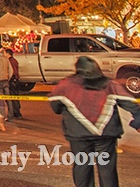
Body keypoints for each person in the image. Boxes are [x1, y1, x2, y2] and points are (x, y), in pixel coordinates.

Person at [50, 56, 140, 187]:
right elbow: (131, 104)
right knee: (107, 170)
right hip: (106, 134)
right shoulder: (110, 85)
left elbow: (55, 107)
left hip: (78, 135)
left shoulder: (65, 85)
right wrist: (137, 121)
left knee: (82, 168)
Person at [5, 48, 23, 119]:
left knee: (12, 97)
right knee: (15, 97)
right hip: (16, 80)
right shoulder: (14, 60)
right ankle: (17, 112)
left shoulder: (9, 61)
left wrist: (9, 79)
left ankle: (16, 113)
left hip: (12, 80)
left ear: (8, 54)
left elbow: (11, 72)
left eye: (5, 53)